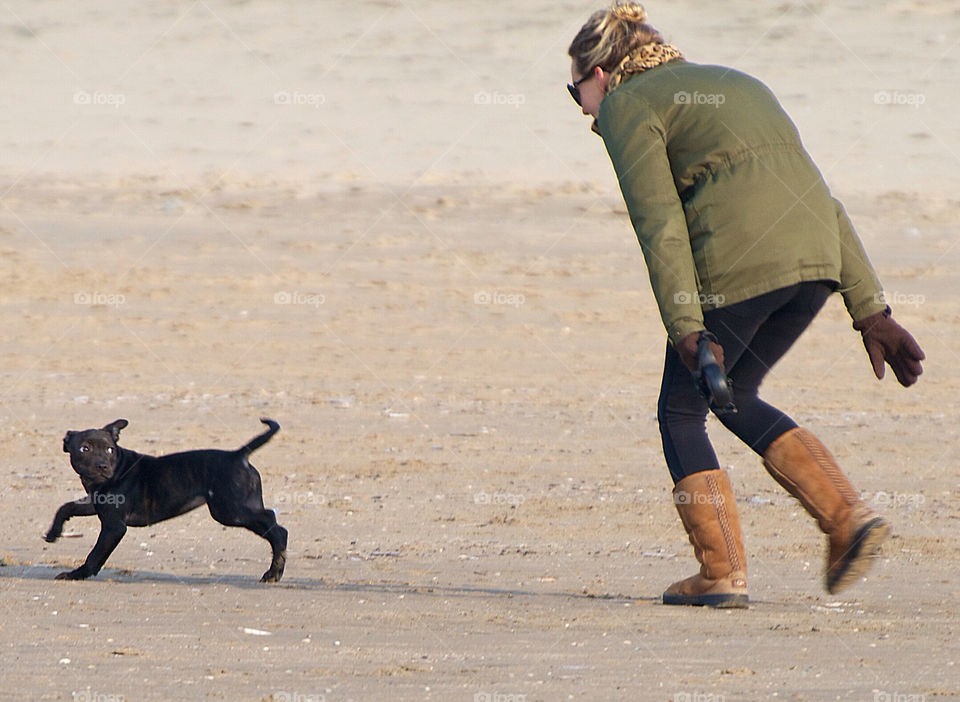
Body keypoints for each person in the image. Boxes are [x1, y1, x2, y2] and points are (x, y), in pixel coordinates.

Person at [567, 2, 925, 608]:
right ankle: (846, 518)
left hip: (736, 265)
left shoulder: (629, 104)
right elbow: (820, 194)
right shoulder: (740, 83)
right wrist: (871, 310)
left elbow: (660, 225)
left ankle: (721, 572)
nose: (580, 108)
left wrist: (686, 327)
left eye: (573, 90)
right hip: (815, 262)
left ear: (600, 74)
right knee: (733, 393)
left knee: (681, 409)